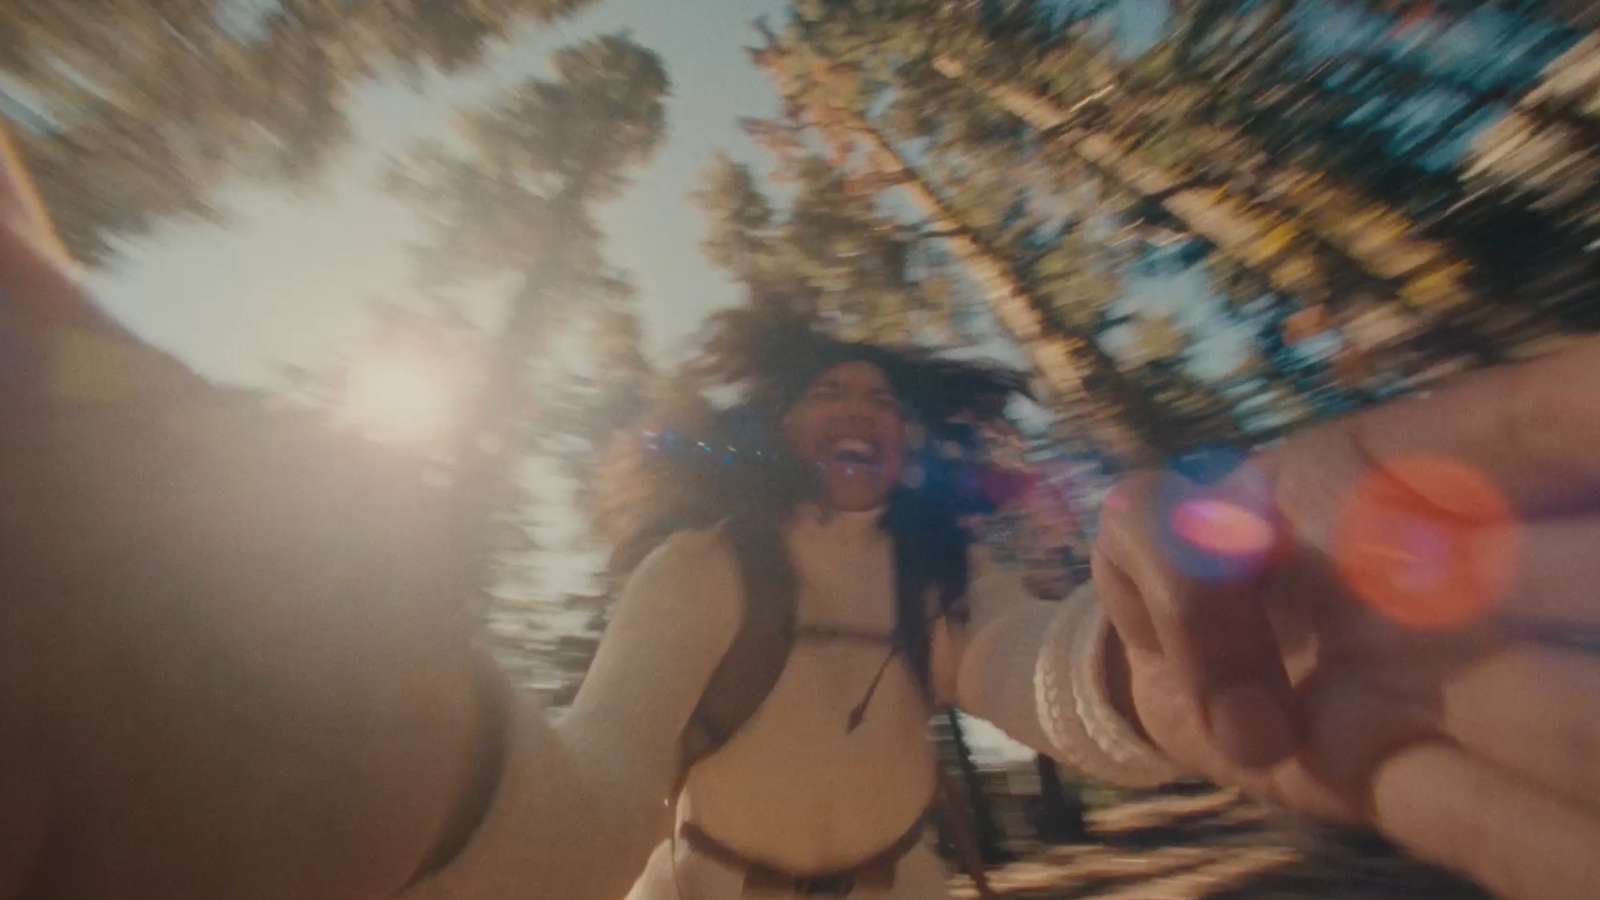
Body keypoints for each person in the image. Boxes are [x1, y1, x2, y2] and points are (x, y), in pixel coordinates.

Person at [1, 118, 1598, 900]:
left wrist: (1148, 670)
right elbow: (604, 776)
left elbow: (1039, 676)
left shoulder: (936, 569)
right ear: (773, 438)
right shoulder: (705, 569)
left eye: (882, 401)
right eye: (825, 396)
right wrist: (380, 787)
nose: (861, 409)